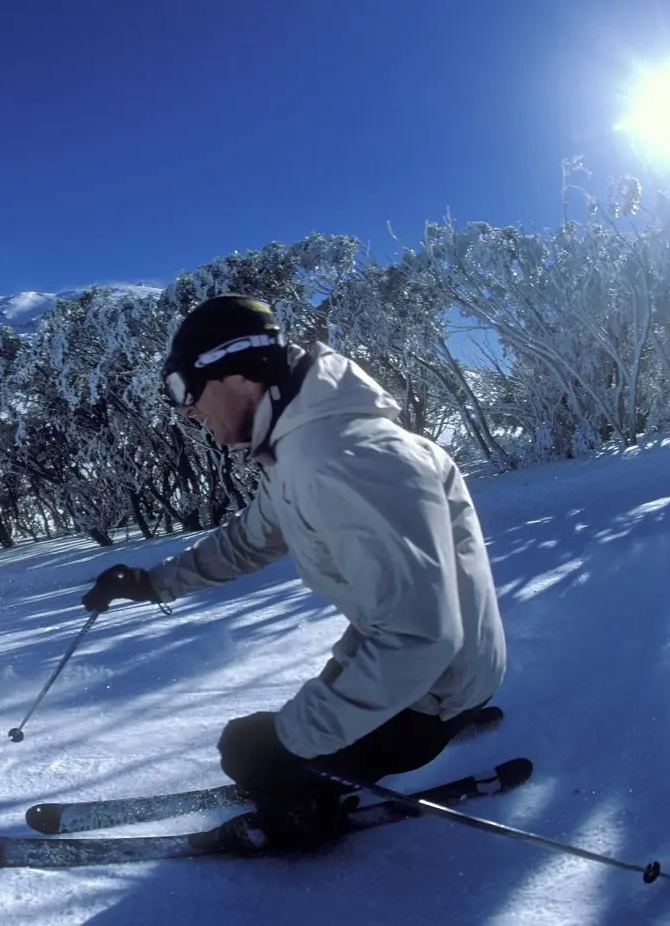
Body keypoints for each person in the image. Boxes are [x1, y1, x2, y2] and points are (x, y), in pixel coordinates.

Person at [80, 294, 507, 853]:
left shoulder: (347, 459)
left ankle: (307, 811)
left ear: (236, 371)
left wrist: (290, 742)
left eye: (184, 388)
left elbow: (418, 635)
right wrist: (152, 582)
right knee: (258, 740)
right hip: (414, 669)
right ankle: (323, 763)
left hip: (434, 689)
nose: (184, 410)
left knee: (249, 750)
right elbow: (247, 540)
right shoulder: (302, 450)